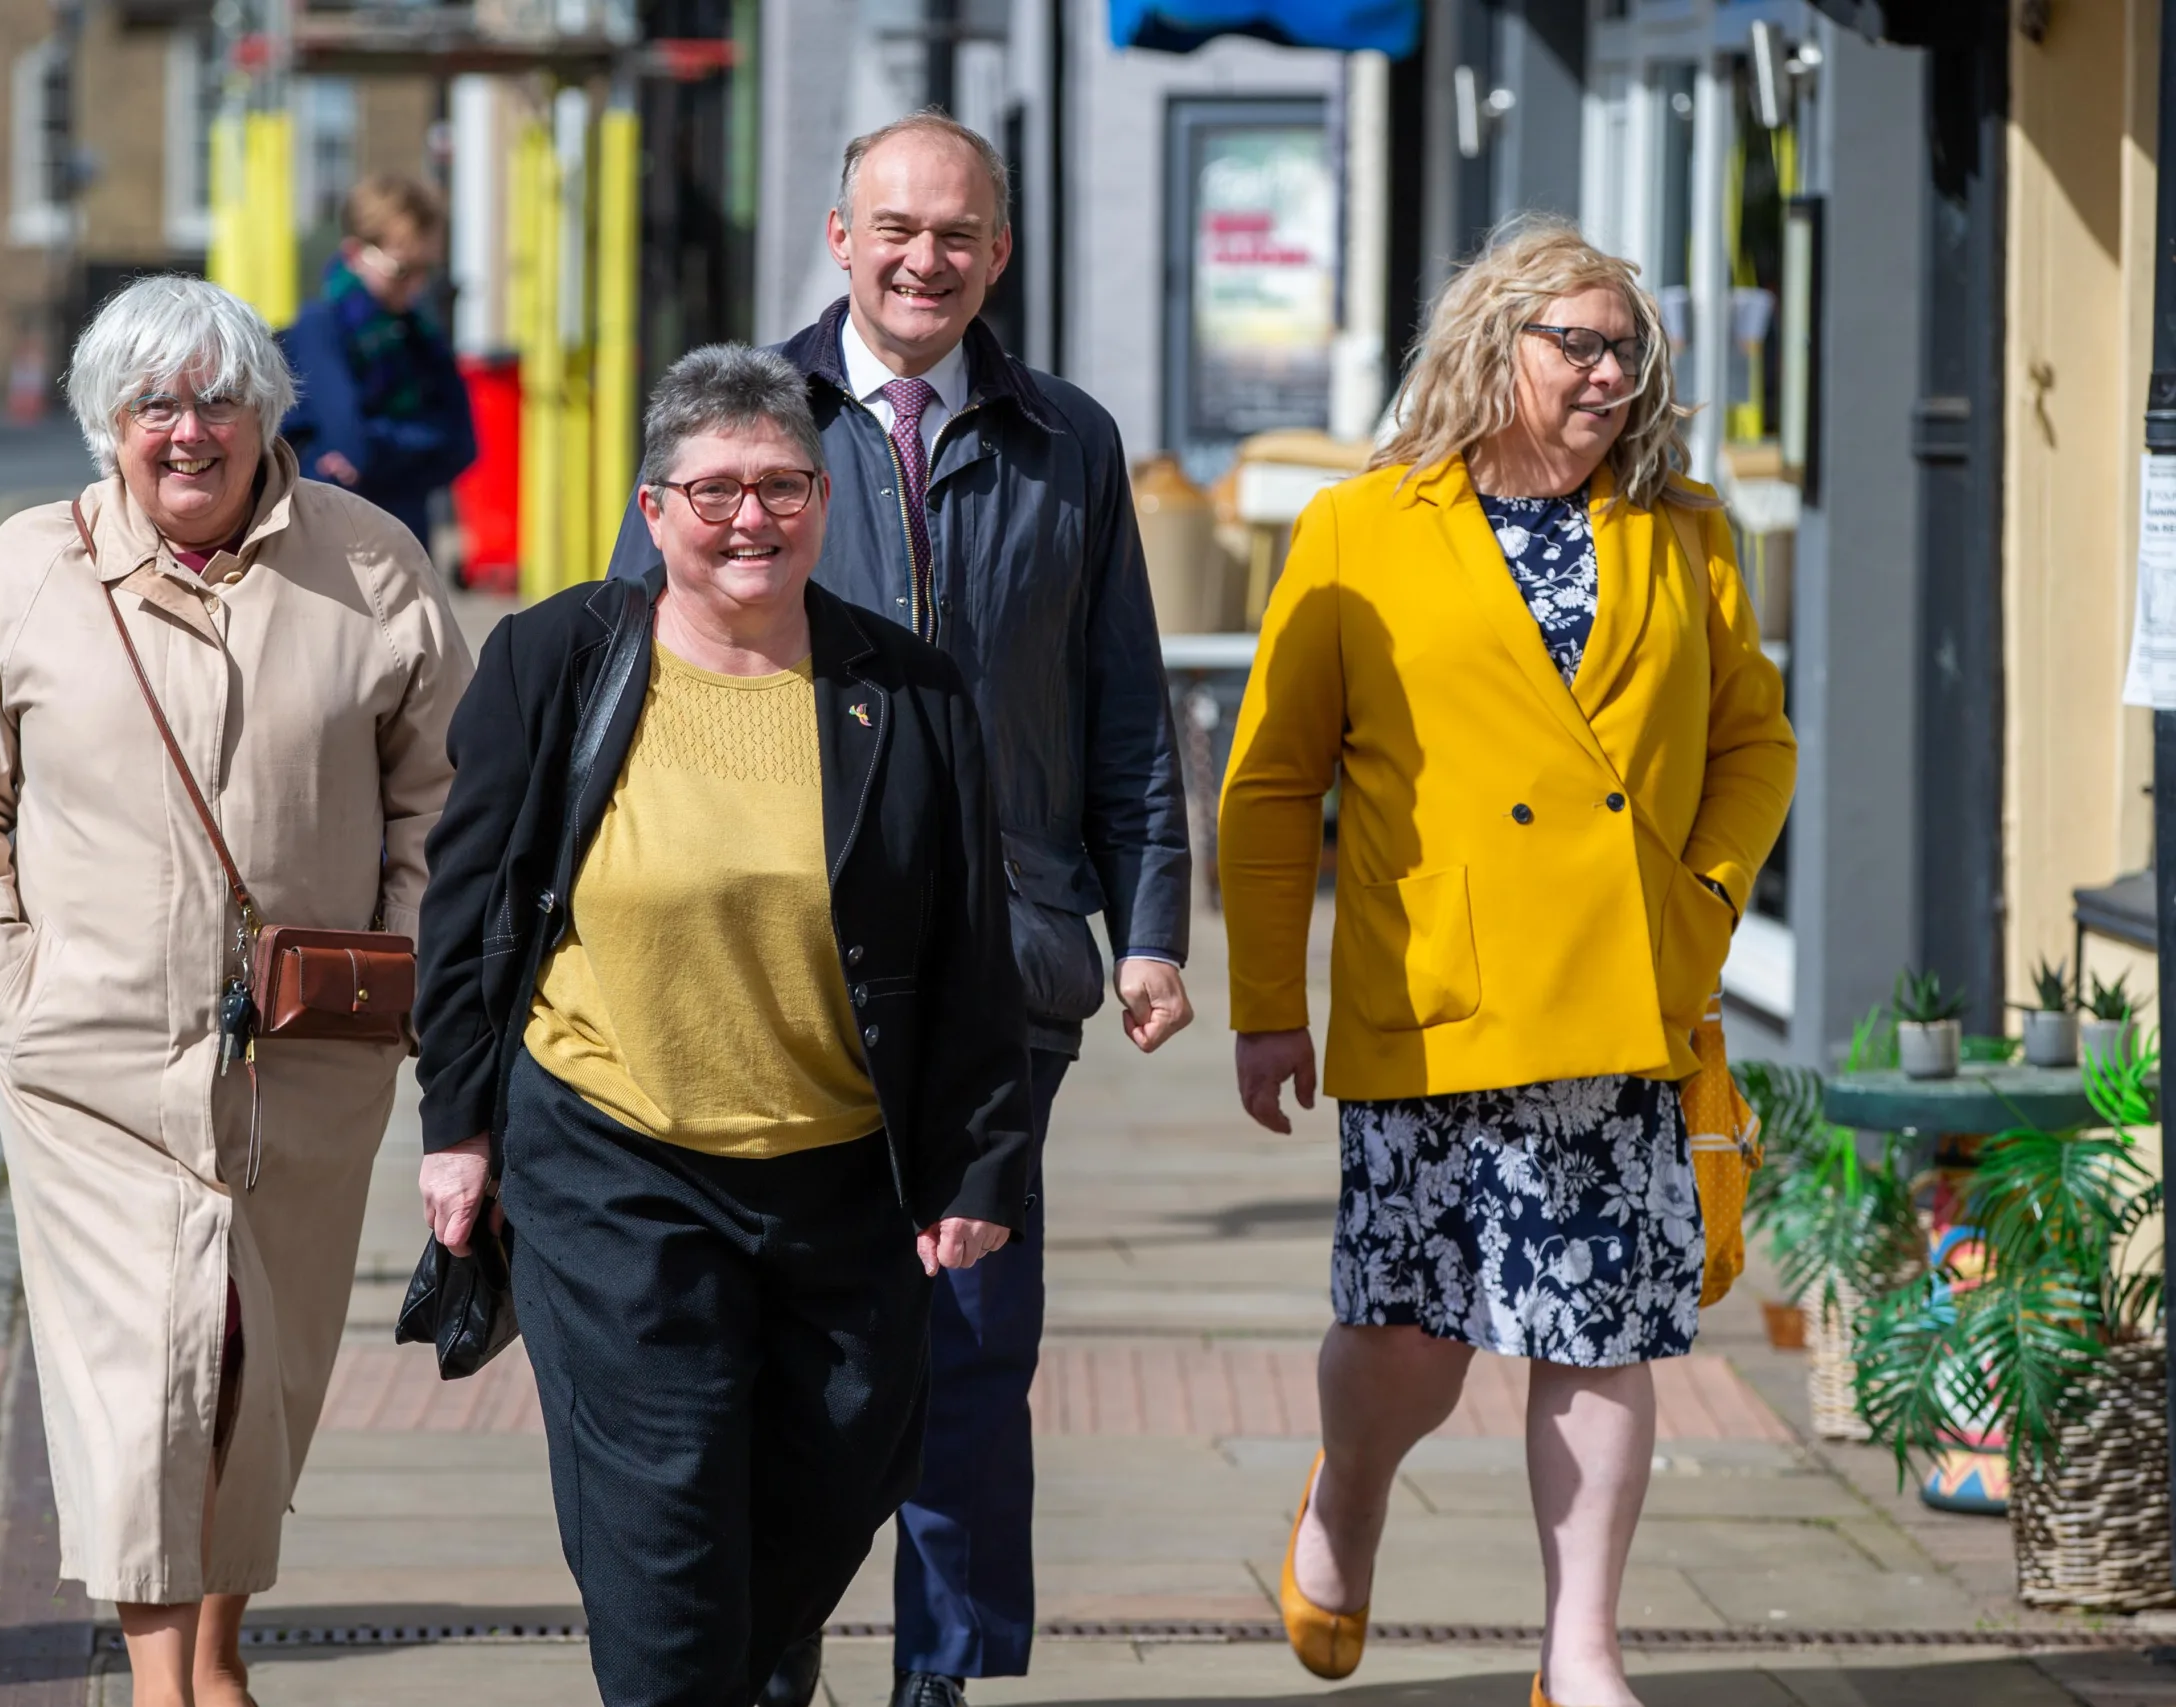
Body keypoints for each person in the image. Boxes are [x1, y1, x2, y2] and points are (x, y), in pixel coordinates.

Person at [605, 111, 1193, 1707]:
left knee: (968, 1338)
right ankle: (775, 1650)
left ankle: (942, 1676)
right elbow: (622, 680)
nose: (925, 259)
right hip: (774, 954)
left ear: (998, 253)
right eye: (896, 228)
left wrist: (1148, 923)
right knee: (796, 1347)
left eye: (958, 233)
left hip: (1003, 960)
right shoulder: (740, 416)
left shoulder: (1065, 435)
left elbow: (1121, 703)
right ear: (838, 237)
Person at [1220, 217, 1797, 1707]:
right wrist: (1267, 1007)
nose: (1610, 373)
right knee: (1409, 1337)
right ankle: (1347, 1497)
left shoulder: (1686, 530)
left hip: (1621, 996)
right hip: (1436, 992)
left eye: (1628, 348)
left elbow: (1753, 742)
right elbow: (1275, 782)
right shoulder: (1363, 525)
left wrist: (1700, 895)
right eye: (1580, 344)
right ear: (1495, 344)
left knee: (1602, 1330)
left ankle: (1581, 1648)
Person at [414, 344, 1035, 1707]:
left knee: (845, 1462)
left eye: (784, 486)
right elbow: (469, 906)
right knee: (665, 1508)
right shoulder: (558, 656)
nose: (752, 517)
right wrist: (457, 1125)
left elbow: (971, 951)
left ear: (823, 501)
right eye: (716, 491)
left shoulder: (911, 691)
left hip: (840, 1163)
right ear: (654, 510)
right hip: (615, 1154)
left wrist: (981, 1161)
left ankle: (744, 1664)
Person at [0, 276, 471, 1707]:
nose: (188, 431)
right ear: (108, 425)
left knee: (257, 1360)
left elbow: (449, 794)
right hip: (87, 1056)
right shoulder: (35, 565)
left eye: (216, 399)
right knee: (139, 1368)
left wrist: (396, 958)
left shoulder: (368, 560)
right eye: (153, 403)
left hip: (311, 1054)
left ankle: (217, 1648)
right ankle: (171, 1682)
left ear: (265, 413)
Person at [278, 172, 477, 548]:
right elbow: (352, 441)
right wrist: (416, 446)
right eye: (403, 270)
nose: (416, 286)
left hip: (405, 537)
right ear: (356, 254)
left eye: (427, 270)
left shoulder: (420, 335)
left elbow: (462, 445)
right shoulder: (319, 329)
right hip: (330, 544)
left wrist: (377, 446)